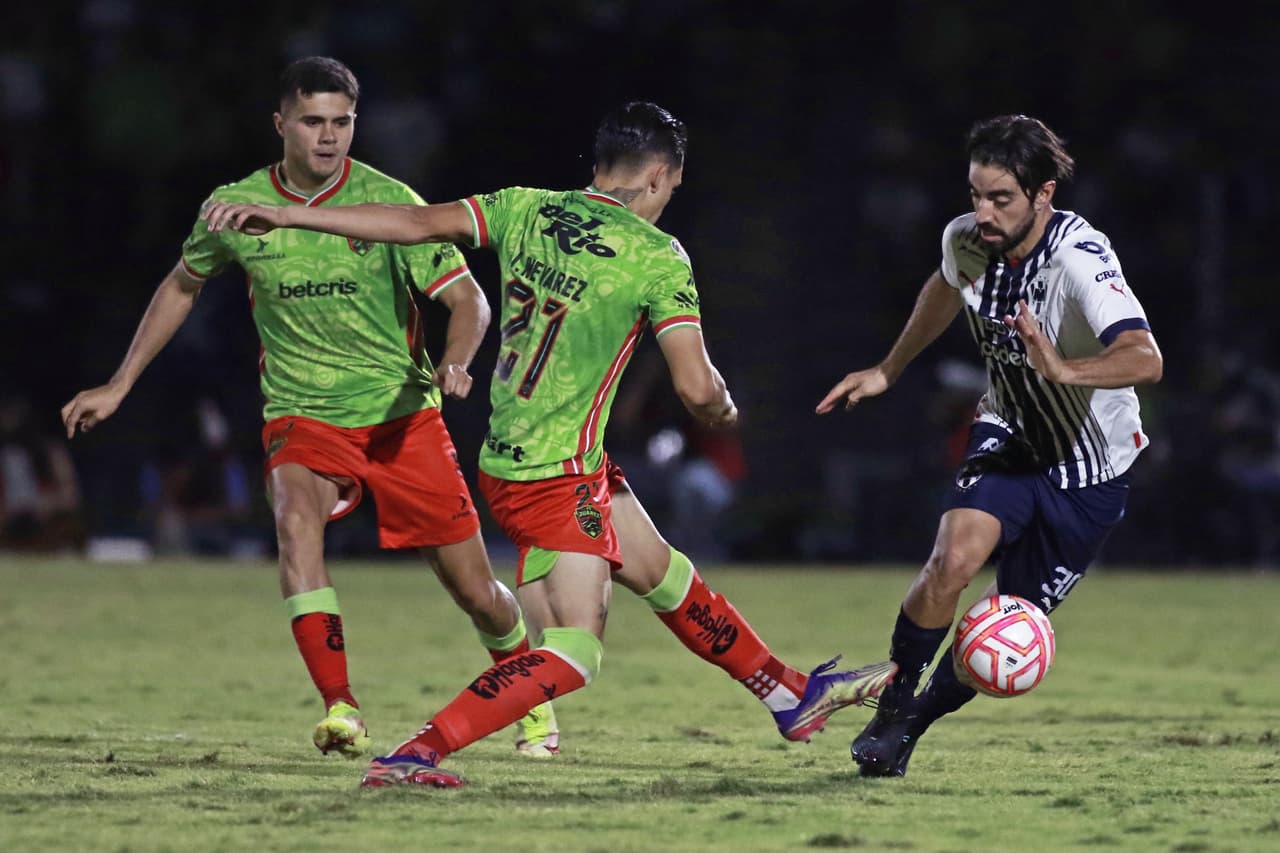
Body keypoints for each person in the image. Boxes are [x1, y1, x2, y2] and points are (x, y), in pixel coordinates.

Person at [205, 100, 897, 788]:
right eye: (672, 189)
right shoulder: (656, 256)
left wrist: (292, 214)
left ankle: (787, 693)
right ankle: (417, 751)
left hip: (523, 456)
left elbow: (412, 223)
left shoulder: (525, 208)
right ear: (659, 177)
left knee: (660, 570)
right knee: (575, 651)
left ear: (599, 166)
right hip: (552, 476)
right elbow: (694, 388)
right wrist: (721, 402)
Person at [60, 56, 556, 760]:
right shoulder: (233, 207)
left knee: (477, 591)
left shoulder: (388, 201)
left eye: (342, 123)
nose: (329, 137)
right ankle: (341, 707)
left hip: (400, 417)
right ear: (281, 124)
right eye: (314, 121)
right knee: (295, 525)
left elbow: (466, 296)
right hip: (302, 414)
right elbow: (181, 283)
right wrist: (119, 383)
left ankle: (526, 689)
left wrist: (456, 358)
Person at [816, 114, 1164, 776]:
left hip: (1092, 472)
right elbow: (945, 286)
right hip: (1009, 431)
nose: (983, 211)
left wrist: (1064, 370)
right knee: (951, 560)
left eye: (1000, 197)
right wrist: (889, 369)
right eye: (976, 193)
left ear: (1044, 194)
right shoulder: (968, 239)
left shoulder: (1079, 261)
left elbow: (1145, 357)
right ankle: (893, 702)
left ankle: (912, 725)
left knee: (1006, 631)